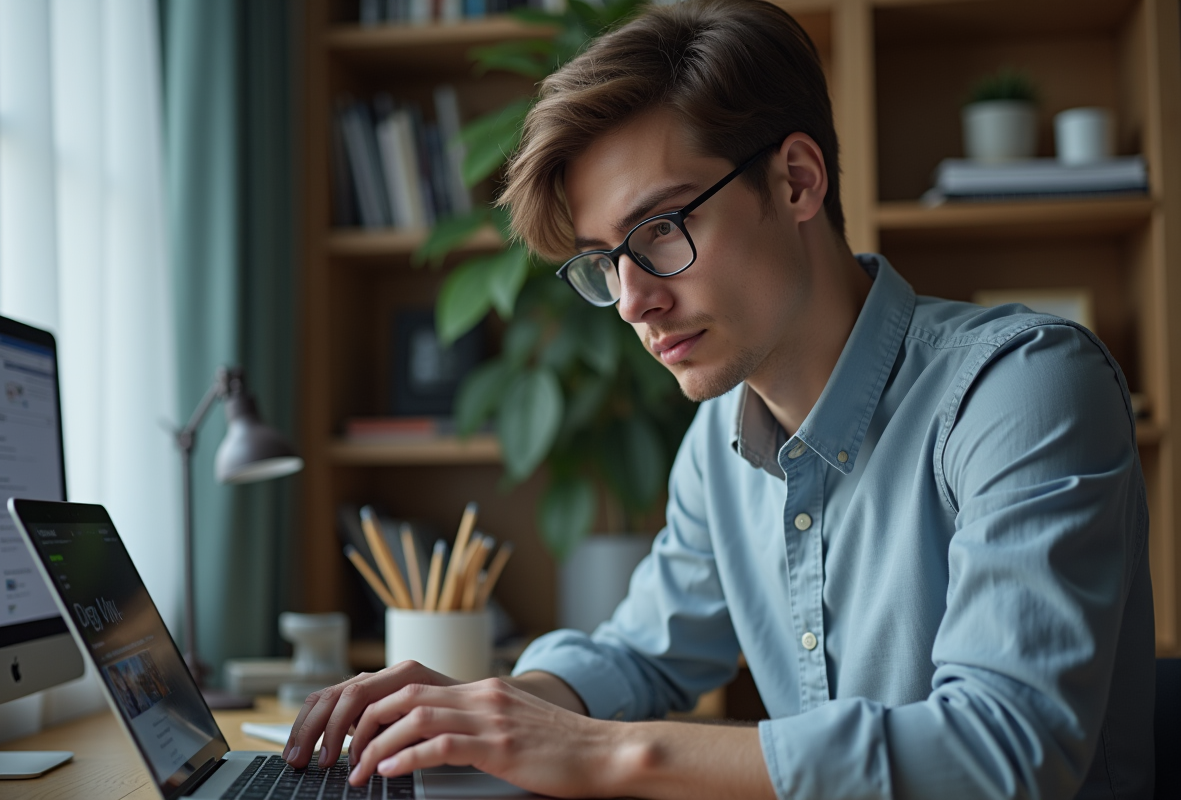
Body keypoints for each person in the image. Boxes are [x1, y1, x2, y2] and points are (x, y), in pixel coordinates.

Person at [286, 1, 1155, 797]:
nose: (631, 300)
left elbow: (1002, 753)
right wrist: (495, 708)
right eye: (603, 261)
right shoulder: (719, 441)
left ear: (797, 181)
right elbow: (641, 655)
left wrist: (603, 752)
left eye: (661, 229)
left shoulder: (1024, 389)